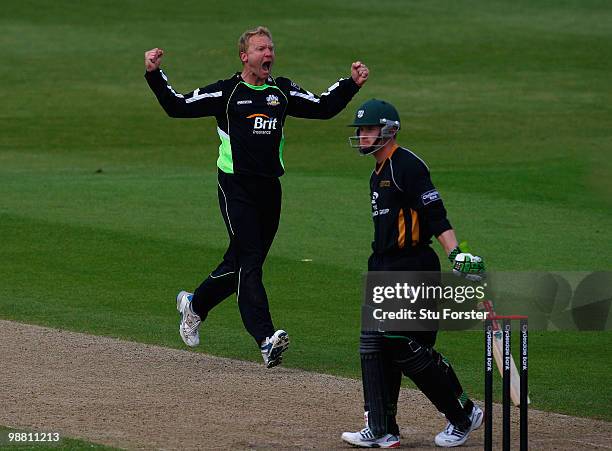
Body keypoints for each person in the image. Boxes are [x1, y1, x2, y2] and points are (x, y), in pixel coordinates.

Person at [144, 27, 369, 368]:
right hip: (235, 188)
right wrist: (154, 73)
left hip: (269, 190)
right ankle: (266, 339)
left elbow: (323, 108)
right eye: (261, 49)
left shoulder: (282, 91)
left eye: (271, 48)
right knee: (249, 263)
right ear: (244, 56)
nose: (268, 54)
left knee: (240, 265)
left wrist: (350, 83)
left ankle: (194, 306)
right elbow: (177, 106)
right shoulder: (227, 93)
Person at [340, 99, 486, 448]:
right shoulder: (377, 174)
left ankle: (463, 412)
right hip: (385, 268)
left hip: (414, 267)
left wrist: (456, 254)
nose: (362, 135)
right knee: (373, 343)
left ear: (389, 129)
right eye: (360, 130)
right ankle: (382, 428)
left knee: (398, 341)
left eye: (369, 129)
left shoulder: (407, 165)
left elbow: (435, 214)